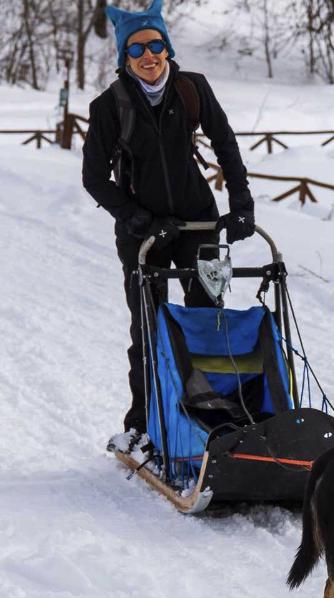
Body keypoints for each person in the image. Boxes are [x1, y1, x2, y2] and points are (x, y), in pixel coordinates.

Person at [82, 0, 255, 447]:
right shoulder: (108, 107)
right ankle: (143, 423)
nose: (148, 54)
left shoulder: (192, 89)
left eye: (156, 43)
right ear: (124, 56)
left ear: (167, 46)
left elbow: (226, 143)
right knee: (148, 326)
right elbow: (93, 177)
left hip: (198, 225)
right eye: (136, 47)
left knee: (208, 321)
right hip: (144, 235)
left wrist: (240, 204)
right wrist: (134, 215)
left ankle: (217, 419)